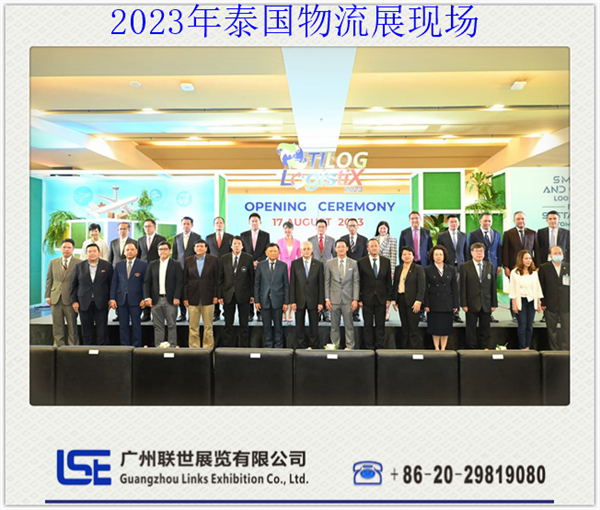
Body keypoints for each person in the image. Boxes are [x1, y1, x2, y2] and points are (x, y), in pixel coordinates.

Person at [70, 243, 113, 345]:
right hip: (84, 303)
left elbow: (112, 284)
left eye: (94, 251)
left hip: (101, 303)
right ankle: (87, 351)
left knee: (102, 330)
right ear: (86, 253)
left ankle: (102, 351)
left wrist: (111, 299)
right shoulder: (79, 266)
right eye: (89, 251)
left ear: (99, 253)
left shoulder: (107, 266)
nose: (92, 253)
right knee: (86, 330)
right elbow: (74, 285)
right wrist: (74, 301)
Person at [143, 241, 182, 347]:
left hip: (171, 300)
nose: (163, 251)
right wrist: (147, 297)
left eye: (165, 249)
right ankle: (158, 348)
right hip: (156, 300)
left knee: (171, 324)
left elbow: (179, 282)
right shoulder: (152, 264)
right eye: (160, 249)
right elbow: (147, 282)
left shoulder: (176, 264)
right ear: (158, 251)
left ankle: (172, 347)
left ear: (170, 251)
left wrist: (177, 297)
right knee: (158, 326)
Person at [460, 242, 498, 349]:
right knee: (471, 328)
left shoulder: (489, 266)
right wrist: (463, 303)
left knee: (485, 328)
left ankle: (484, 347)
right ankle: (471, 349)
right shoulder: (465, 266)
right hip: (471, 303)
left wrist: (494, 303)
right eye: (476, 251)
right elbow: (462, 286)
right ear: (471, 253)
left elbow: (493, 286)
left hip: (486, 303)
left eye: (481, 251)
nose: (479, 253)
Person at [108, 242, 147, 347]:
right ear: (124, 252)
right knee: (123, 326)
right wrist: (112, 298)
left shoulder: (143, 265)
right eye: (127, 250)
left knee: (136, 325)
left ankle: (136, 346)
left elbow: (145, 283)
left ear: (136, 251)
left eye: (132, 249)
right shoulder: (119, 265)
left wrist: (144, 298)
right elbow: (114, 282)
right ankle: (124, 346)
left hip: (136, 300)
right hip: (121, 300)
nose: (130, 251)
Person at [183, 240, 220, 349]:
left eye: (202, 246)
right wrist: (185, 298)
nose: (199, 248)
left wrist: (216, 295)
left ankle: (208, 348)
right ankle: (194, 349)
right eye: (197, 246)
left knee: (208, 326)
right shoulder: (188, 260)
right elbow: (185, 281)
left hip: (208, 297)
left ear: (206, 248)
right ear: (194, 248)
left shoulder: (213, 260)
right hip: (192, 298)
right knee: (193, 326)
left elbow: (217, 280)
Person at [219, 236, 255, 347]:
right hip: (228, 294)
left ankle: (244, 347)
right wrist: (220, 296)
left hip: (244, 295)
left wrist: (252, 295)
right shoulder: (224, 258)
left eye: (239, 244)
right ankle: (228, 347)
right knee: (228, 323)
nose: (236, 246)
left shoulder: (248, 258)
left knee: (244, 323)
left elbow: (252, 278)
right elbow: (220, 278)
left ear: (242, 246)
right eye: (234, 243)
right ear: (231, 246)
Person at [45, 238, 81, 346]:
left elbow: (80, 282)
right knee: (57, 325)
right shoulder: (53, 262)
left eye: (69, 247)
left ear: (73, 249)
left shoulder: (79, 263)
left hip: (71, 299)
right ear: (61, 248)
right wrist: (47, 296)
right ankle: (58, 347)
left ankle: (73, 347)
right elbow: (49, 279)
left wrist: (77, 300)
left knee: (72, 326)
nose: (66, 249)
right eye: (64, 247)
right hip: (55, 298)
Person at [467, 212, 502, 322]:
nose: (487, 223)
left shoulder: (497, 234)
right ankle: (477, 313)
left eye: (489, 221)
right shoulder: (473, 234)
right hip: (478, 266)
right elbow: (469, 251)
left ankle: (488, 314)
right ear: (480, 221)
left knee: (490, 290)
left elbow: (499, 250)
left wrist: (499, 265)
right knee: (479, 290)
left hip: (493, 267)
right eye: (485, 220)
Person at [324, 239, 359, 350]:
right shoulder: (329, 263)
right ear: (335, 249)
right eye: (338, 247)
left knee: (349, 325)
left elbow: (356, 282)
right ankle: (335, 346)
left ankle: (350, 347)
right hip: (333, 300)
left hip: (348, 300)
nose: (341, 249)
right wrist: (327, 298)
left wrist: (355, 299)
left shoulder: (353, 263)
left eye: (343, 247)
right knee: (334, 326)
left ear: (347, 248)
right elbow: (327, 282)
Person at [358, 238, 392, 349]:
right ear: (368, 248)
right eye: (371, 246)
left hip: (381, 298)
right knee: (367, 325)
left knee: (380, 325)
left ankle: (379, 347)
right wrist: (359, 298)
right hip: (366, 299)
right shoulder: (361, 262)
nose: (374, 248)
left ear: (379, 247)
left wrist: (389, 298)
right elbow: (359, 281)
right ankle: (369, 347)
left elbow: (388, 281)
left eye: (376, 246)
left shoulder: (386, 261)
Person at [289, 241, 324, 349]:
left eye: (308, 249)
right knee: (299, 326)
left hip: (314, 300)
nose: (306, 251)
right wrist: (292, 301)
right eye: (304, 249)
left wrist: (320, 302)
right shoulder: (295, 263)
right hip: (299, 300)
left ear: (312, 250)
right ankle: (301, 346)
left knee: (314, 326)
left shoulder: (319, 264)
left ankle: (314, 347)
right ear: (300, 250)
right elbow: (292, 283)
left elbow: (321, 285)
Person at [423, 245, 459, 351]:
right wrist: (426, 304)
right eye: (436, 254)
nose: (438, 256)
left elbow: (454, 288)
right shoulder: (427, 269)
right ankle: (436, 348)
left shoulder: (451, 269)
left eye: (440, 254)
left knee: (445, 328)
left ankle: (443, 348)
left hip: (447, 303)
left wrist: (456, 304)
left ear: (444, 256)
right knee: (435, 328)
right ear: (432, 256)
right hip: (433, 303)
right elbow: (424, 288)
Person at [254, 243, 289, 348]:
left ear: (279, 253)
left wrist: (286, 302)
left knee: (278, 327)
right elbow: (257, 284)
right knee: (266, 327)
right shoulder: (260, 265)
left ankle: (279, 347)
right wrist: (257, 301)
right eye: (270, 251)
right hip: (264, 301)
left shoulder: (283, 265)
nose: (273, 253)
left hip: (278, 301)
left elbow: (286, 285)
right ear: (266, 253)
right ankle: (268, 347)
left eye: (275, 251)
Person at [509, 250, 543, 350]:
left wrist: (538, 302)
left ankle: (527, 346)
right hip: (521, 301)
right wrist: (514, 304)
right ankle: (522, 347)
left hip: (531, 301)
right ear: (521, 259)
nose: (529, 260)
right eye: (526, 258)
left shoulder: (534, 272)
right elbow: (512, 289)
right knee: (522, 325)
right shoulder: (515, 272)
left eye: (530, 258)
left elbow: (537, 287)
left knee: (529, 325)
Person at [392, 246, 426, 349]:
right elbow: (395, 285)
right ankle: (404, 349)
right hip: (401, 299)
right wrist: (394, 299)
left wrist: (419, 301)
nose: (407, 256)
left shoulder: (418, 268)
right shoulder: (398, 268)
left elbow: (422, 286)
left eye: (409, 254)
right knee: (404, 326)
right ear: (401, 256)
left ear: (413, 256)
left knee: (413, 328)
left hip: (413, 301)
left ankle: (413, 349)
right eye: (404, 254)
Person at [436, 214, 468, 323]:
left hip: (460, 267)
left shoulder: (463, 235)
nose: (453, 224)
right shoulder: (442, 236)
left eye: (455, 222)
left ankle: (456, 313)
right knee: (447, 290)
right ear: (447, 223)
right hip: (447, 266)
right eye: (451, 222)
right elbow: (439, 252)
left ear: (458, 223)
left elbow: (466, 252)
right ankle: (446, 312)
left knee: (457, 290)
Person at [538, 245, 570, 350]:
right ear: (550, 255)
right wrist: (542, 302)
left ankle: (565, 349)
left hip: (566, 304)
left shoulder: (568, 267)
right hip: (550, 304)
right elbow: (541, 286)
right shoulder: (544, 267)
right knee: (551, 330)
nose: (558, 255)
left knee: (567, 329)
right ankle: (554, 350)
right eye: (555, 253)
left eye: (559, 253)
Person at [241, 212, 270, 322]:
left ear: (260, 222)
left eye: (256, 221)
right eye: (252, 221)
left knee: (260, 289)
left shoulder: (265, 235)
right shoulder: (243, 235)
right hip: (247, 266)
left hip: (260, 265)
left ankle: (260, 313)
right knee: (247, 289)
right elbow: (242, 250)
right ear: (249, 222)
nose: (254, 223)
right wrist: (250, 261)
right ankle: (249, 313)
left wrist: (258, 261)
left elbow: (266, 250)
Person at [172, 216, 202, 322]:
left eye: (188, 224)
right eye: (184, 224)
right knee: (181, 290)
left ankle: (191, 314)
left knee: (192, 290)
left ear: (192, 225)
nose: (186, 225)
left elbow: (199, 253)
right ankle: (182, 314)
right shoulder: (177, 237)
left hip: (192, 268)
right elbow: (174, 254)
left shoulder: (197, 237)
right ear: (181, 225)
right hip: (179, 268)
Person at [138, 218, 166, 322]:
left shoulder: (161, 239)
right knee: (145, 290)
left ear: (154, 227)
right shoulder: (140, 240)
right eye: (145, 226)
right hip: (143, 269)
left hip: (157, 268)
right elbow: (139, 255)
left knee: (155, 290)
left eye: (149, 226)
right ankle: (146, 314)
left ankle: (156, 314)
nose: (147, 228)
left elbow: (164, 254)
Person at [206, 216, 233, 322]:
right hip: (213, 267)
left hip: (227, 267)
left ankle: (226, 312)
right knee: (214, 289)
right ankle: (216, 313)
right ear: (214, 225)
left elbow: (231, 252)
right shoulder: (209, 237)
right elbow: (207, 252)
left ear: (224, 224)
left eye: (221, 222)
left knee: (226, 289)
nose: (219, 224)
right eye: (217, 223)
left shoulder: (230, 237)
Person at [108, 222, 137, 322]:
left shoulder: (134, 242)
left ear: (128, 230)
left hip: (130, 270)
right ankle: (119, 314)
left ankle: (130, 313)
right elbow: (110, 258)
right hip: (116, 271)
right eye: (120, 229)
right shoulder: (113, 242)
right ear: (117, 230)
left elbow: (137, 257)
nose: (122, 231)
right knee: (118, 292)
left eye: (124, 229)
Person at [341, 218, 368, 322]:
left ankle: (356, 313)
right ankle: (346, 312)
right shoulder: (343, 239)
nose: (352, 228)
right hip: (346, 269)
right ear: (347, 227)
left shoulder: (364, 239)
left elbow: (365, 256)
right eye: (350, 226)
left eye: (354, 226)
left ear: (357, 227)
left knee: (357, 291)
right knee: (346, 290)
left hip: (359, 269)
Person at [308, 219, 336, 322]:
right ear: (316, 228)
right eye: (319, 226)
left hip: (327, 269)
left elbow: (335, 255)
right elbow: (309, 255)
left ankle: (326, 313)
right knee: (315, 290)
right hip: (314, 269)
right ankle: (318, 313)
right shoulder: (310, 239)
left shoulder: (331, 240)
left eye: (323, 227)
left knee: (326, 290)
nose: (321, 228)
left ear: (326, 228)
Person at [277, 221, 301, 322]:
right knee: (282, 289)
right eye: (285, 228)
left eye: (289, 228)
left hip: (293, 268)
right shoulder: (279, 241)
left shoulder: (298, 242)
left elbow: (299, 256)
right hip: (282, 268)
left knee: (292, 290)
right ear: (283, 229)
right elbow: (277, 255)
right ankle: (283, 312)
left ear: (292, 229)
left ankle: (291, 312)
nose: (287, 230)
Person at [502, 211, 536, 279]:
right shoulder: (508, 234)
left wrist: (537, 266)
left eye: (522, 219)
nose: (520, 221)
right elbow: (505, 251)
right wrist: (506, 267)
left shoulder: (532, 233)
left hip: (529, 268)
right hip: (513, 267)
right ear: (514, 221)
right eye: (518, 219)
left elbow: (537, 251)